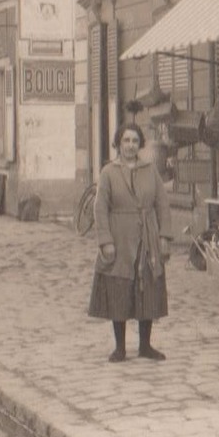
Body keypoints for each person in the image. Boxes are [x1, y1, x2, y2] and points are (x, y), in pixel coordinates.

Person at [87, 123, 172, 362]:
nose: (131, 146)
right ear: (118, 144)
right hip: (120, 237)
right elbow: (100, 209)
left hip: (147, 236)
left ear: (140, 145)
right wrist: (105, 241)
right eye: (126, 141)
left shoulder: (150, 170)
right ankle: (120, 347)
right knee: (119, 290)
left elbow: (162, 204)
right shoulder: (108, 172)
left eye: (135, 141)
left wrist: (164, 236)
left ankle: (145, 345)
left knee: (148, 287)